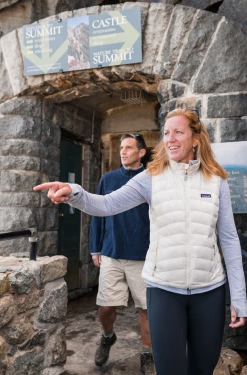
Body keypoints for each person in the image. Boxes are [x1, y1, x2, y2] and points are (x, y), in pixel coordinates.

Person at [34, 109, 247, 375]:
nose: (170, 139)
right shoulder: (150, 178)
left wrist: (239, 295)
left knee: (202, 368)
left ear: (195, 139)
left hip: (210, 290)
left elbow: (228, 238)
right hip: (163, 290)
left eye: (178, 132)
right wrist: (74, 193)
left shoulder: (216, 180)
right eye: (166, 133)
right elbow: (107, 204)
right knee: (170, 369)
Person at [89, 133, 154, 373]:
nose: (123, 152)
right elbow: (97, 211)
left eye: (129, 148)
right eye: (121, 148)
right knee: (106, 307)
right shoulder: (108, 179)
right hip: (111, 252)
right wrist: (95, 246)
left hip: (143, 254)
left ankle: (147, 352)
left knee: (145, 309)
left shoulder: (152, 178)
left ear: (141, 152)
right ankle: (107, 336)